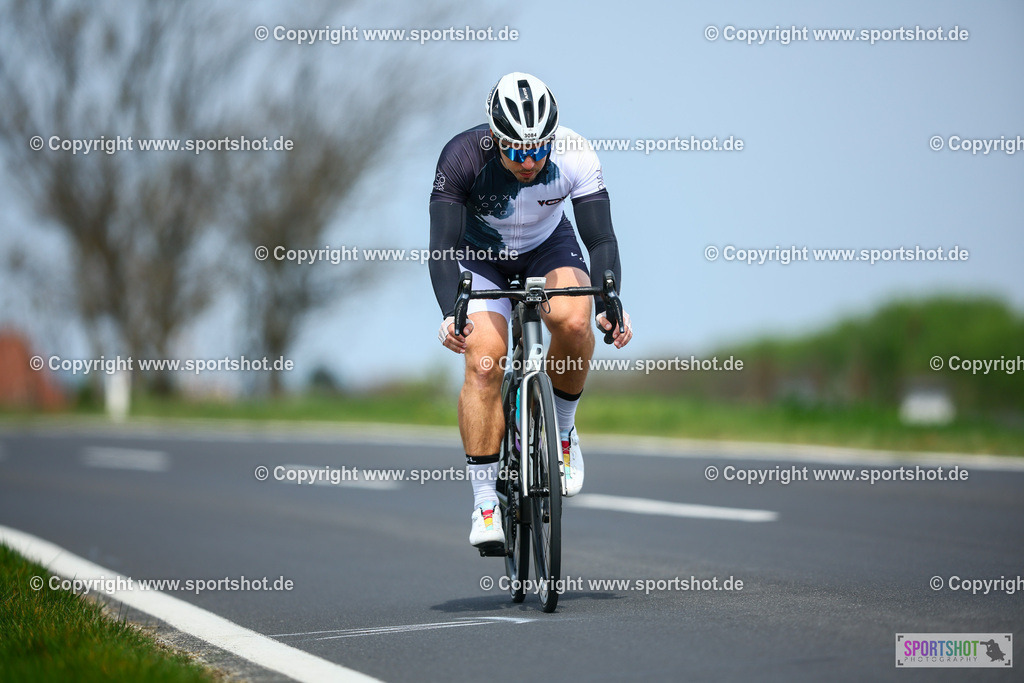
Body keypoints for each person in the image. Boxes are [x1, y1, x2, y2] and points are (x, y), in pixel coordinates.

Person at [428, 72, 632, 551]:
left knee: (575, 319)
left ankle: (562, 433)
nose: (529, 160)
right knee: (483, 361)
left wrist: (610, 300)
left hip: (548, 248)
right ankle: (483, 504)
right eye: (516, 150)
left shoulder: (575, 153)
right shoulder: (460, 157)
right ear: (495, 137)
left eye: (539, 148)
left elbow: (600, 239)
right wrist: (450, 312)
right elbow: (441, 248)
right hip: (480, 260)